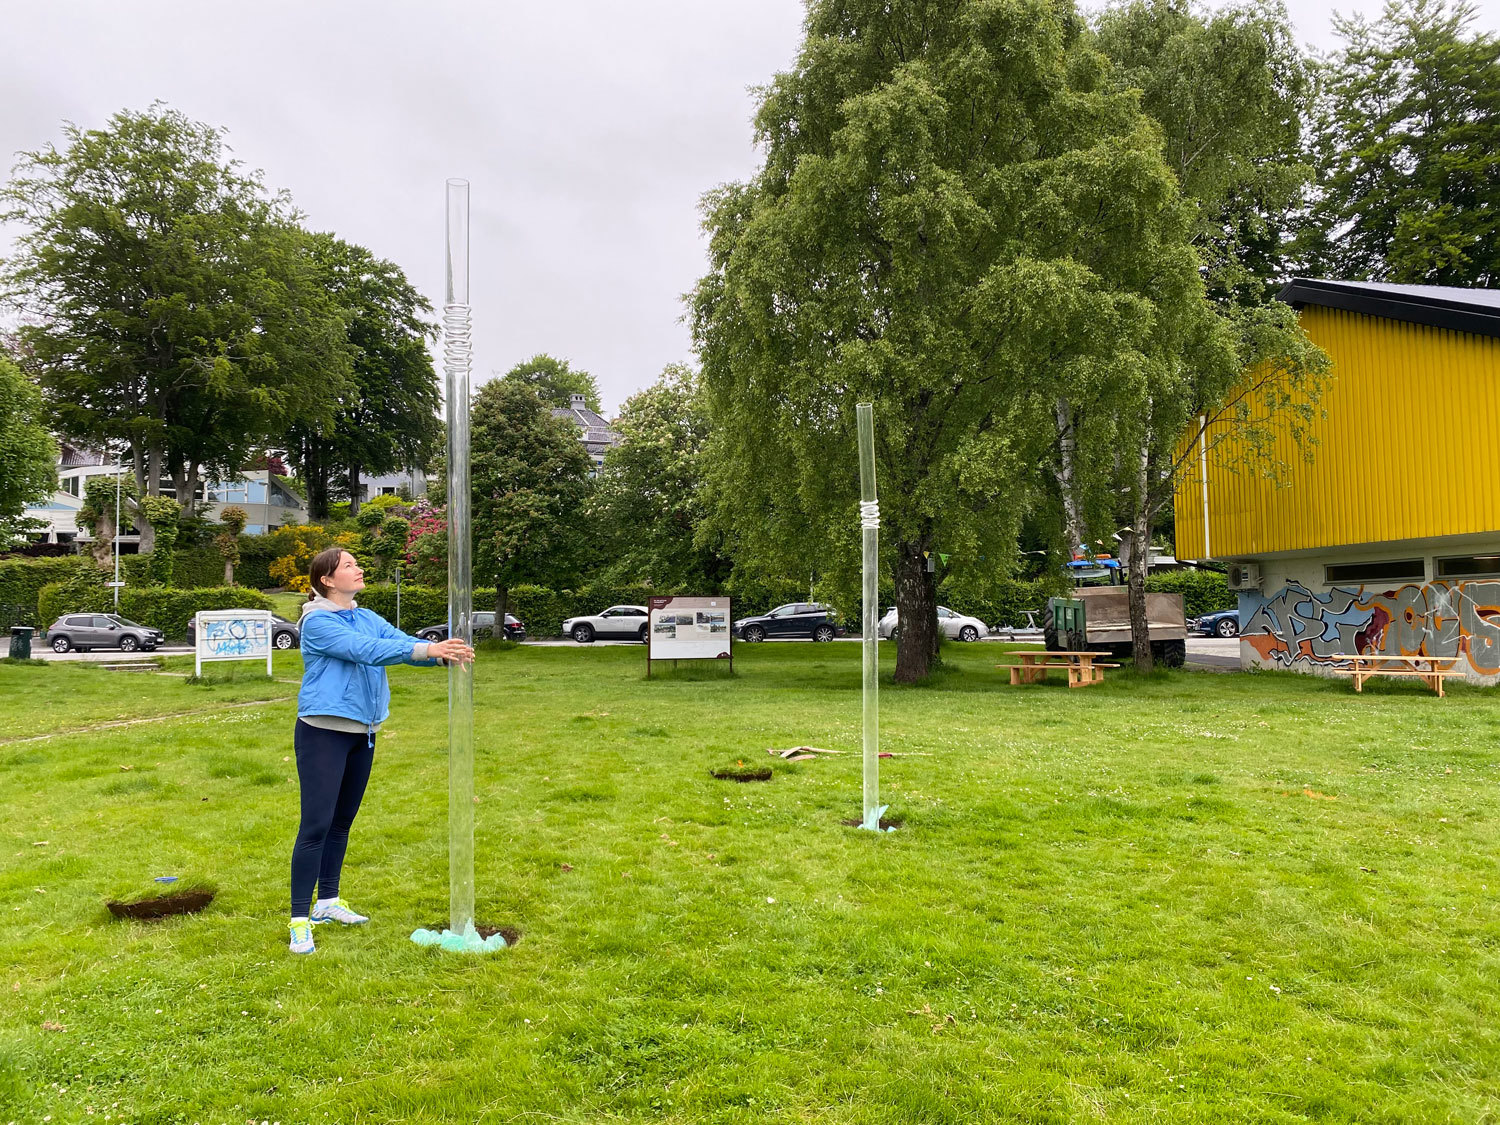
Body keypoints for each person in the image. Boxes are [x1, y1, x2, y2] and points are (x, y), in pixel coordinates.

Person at [288, 547, 473, 954]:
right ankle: (299, 920)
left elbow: (398, 643)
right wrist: (430, 650)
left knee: (341, 823)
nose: (359, 569)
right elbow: (365, 651)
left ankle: (328, 903)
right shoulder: (318, 622)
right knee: (316, 826)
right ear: (327, 580)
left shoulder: (365, 616)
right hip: (324, 730)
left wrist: (443, 653)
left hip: (364, 731)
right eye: (349, 566)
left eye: (357, 563)